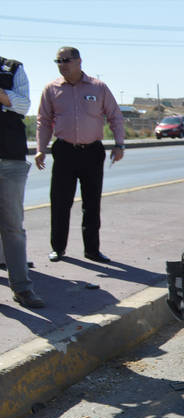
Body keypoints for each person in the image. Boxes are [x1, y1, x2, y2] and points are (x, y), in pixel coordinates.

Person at [35, 46, 124, 264]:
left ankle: (92, 250)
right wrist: (40, 149)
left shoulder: (98, 87)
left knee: (92, 203)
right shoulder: (51, 89)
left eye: (65, 60)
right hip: (64, 151)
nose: (62, 65)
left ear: (79, 61)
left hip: (92, 152)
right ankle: (58, 248)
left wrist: (119, 144)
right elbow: (44, 121)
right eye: (58, 61)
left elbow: (115, 116)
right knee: (60, 202)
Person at [0, 53, 44, 308]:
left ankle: (22, 289)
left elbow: (23, 105)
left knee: (13, 227)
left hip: (11, 158)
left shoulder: (13, 68)